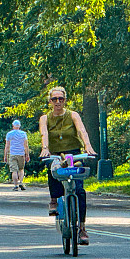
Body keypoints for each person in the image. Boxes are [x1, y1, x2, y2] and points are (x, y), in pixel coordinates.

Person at [39, 86, 97, 245]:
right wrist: (45, 149)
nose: (57, 102)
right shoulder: (45, 118)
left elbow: (81, 131)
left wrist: (88, 146)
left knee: (79, 189)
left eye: (61, 99)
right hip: (55, 153)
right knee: (53, 168)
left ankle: (83, 228)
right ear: (50, 101)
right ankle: (54, 200)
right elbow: (44, 133)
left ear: (65, 100)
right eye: (54, 99)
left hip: (73, 153)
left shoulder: (73, 115)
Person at [4, 120, 30, 191]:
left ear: (13, 125)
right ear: (19, 126)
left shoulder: (9, 134)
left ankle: (16, 185)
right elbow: (26, 145)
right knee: (21, 169)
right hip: (21, 154)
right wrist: (27, 155)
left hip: (12, 153)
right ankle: (21, 182)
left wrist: (5, 156)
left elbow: (7, 146)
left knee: (14, 171)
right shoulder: (23, 134)